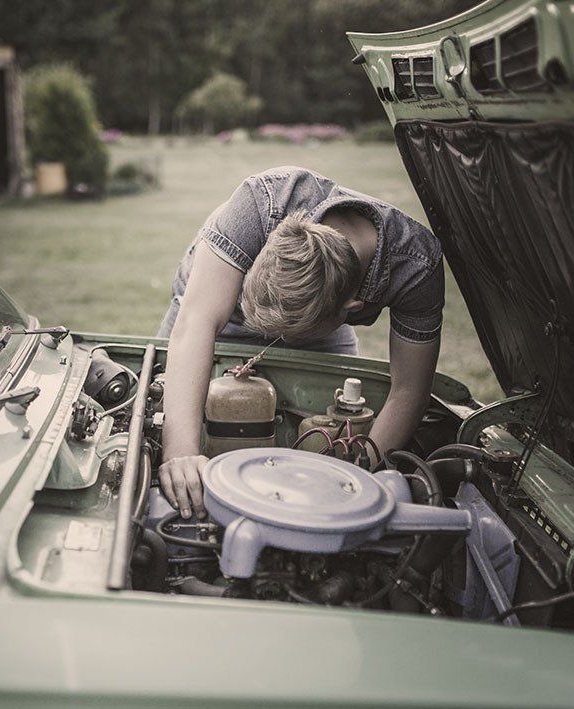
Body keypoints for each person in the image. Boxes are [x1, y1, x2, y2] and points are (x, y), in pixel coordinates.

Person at [156, 166, 444, 519]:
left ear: (351, 310)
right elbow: (196, 323)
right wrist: (180, 453)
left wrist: (357, 479)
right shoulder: (261, 202)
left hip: (315, 319)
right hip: (215, 297)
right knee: (167, 403)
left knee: (334, 422)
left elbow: (410, 389)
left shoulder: (417, 265)